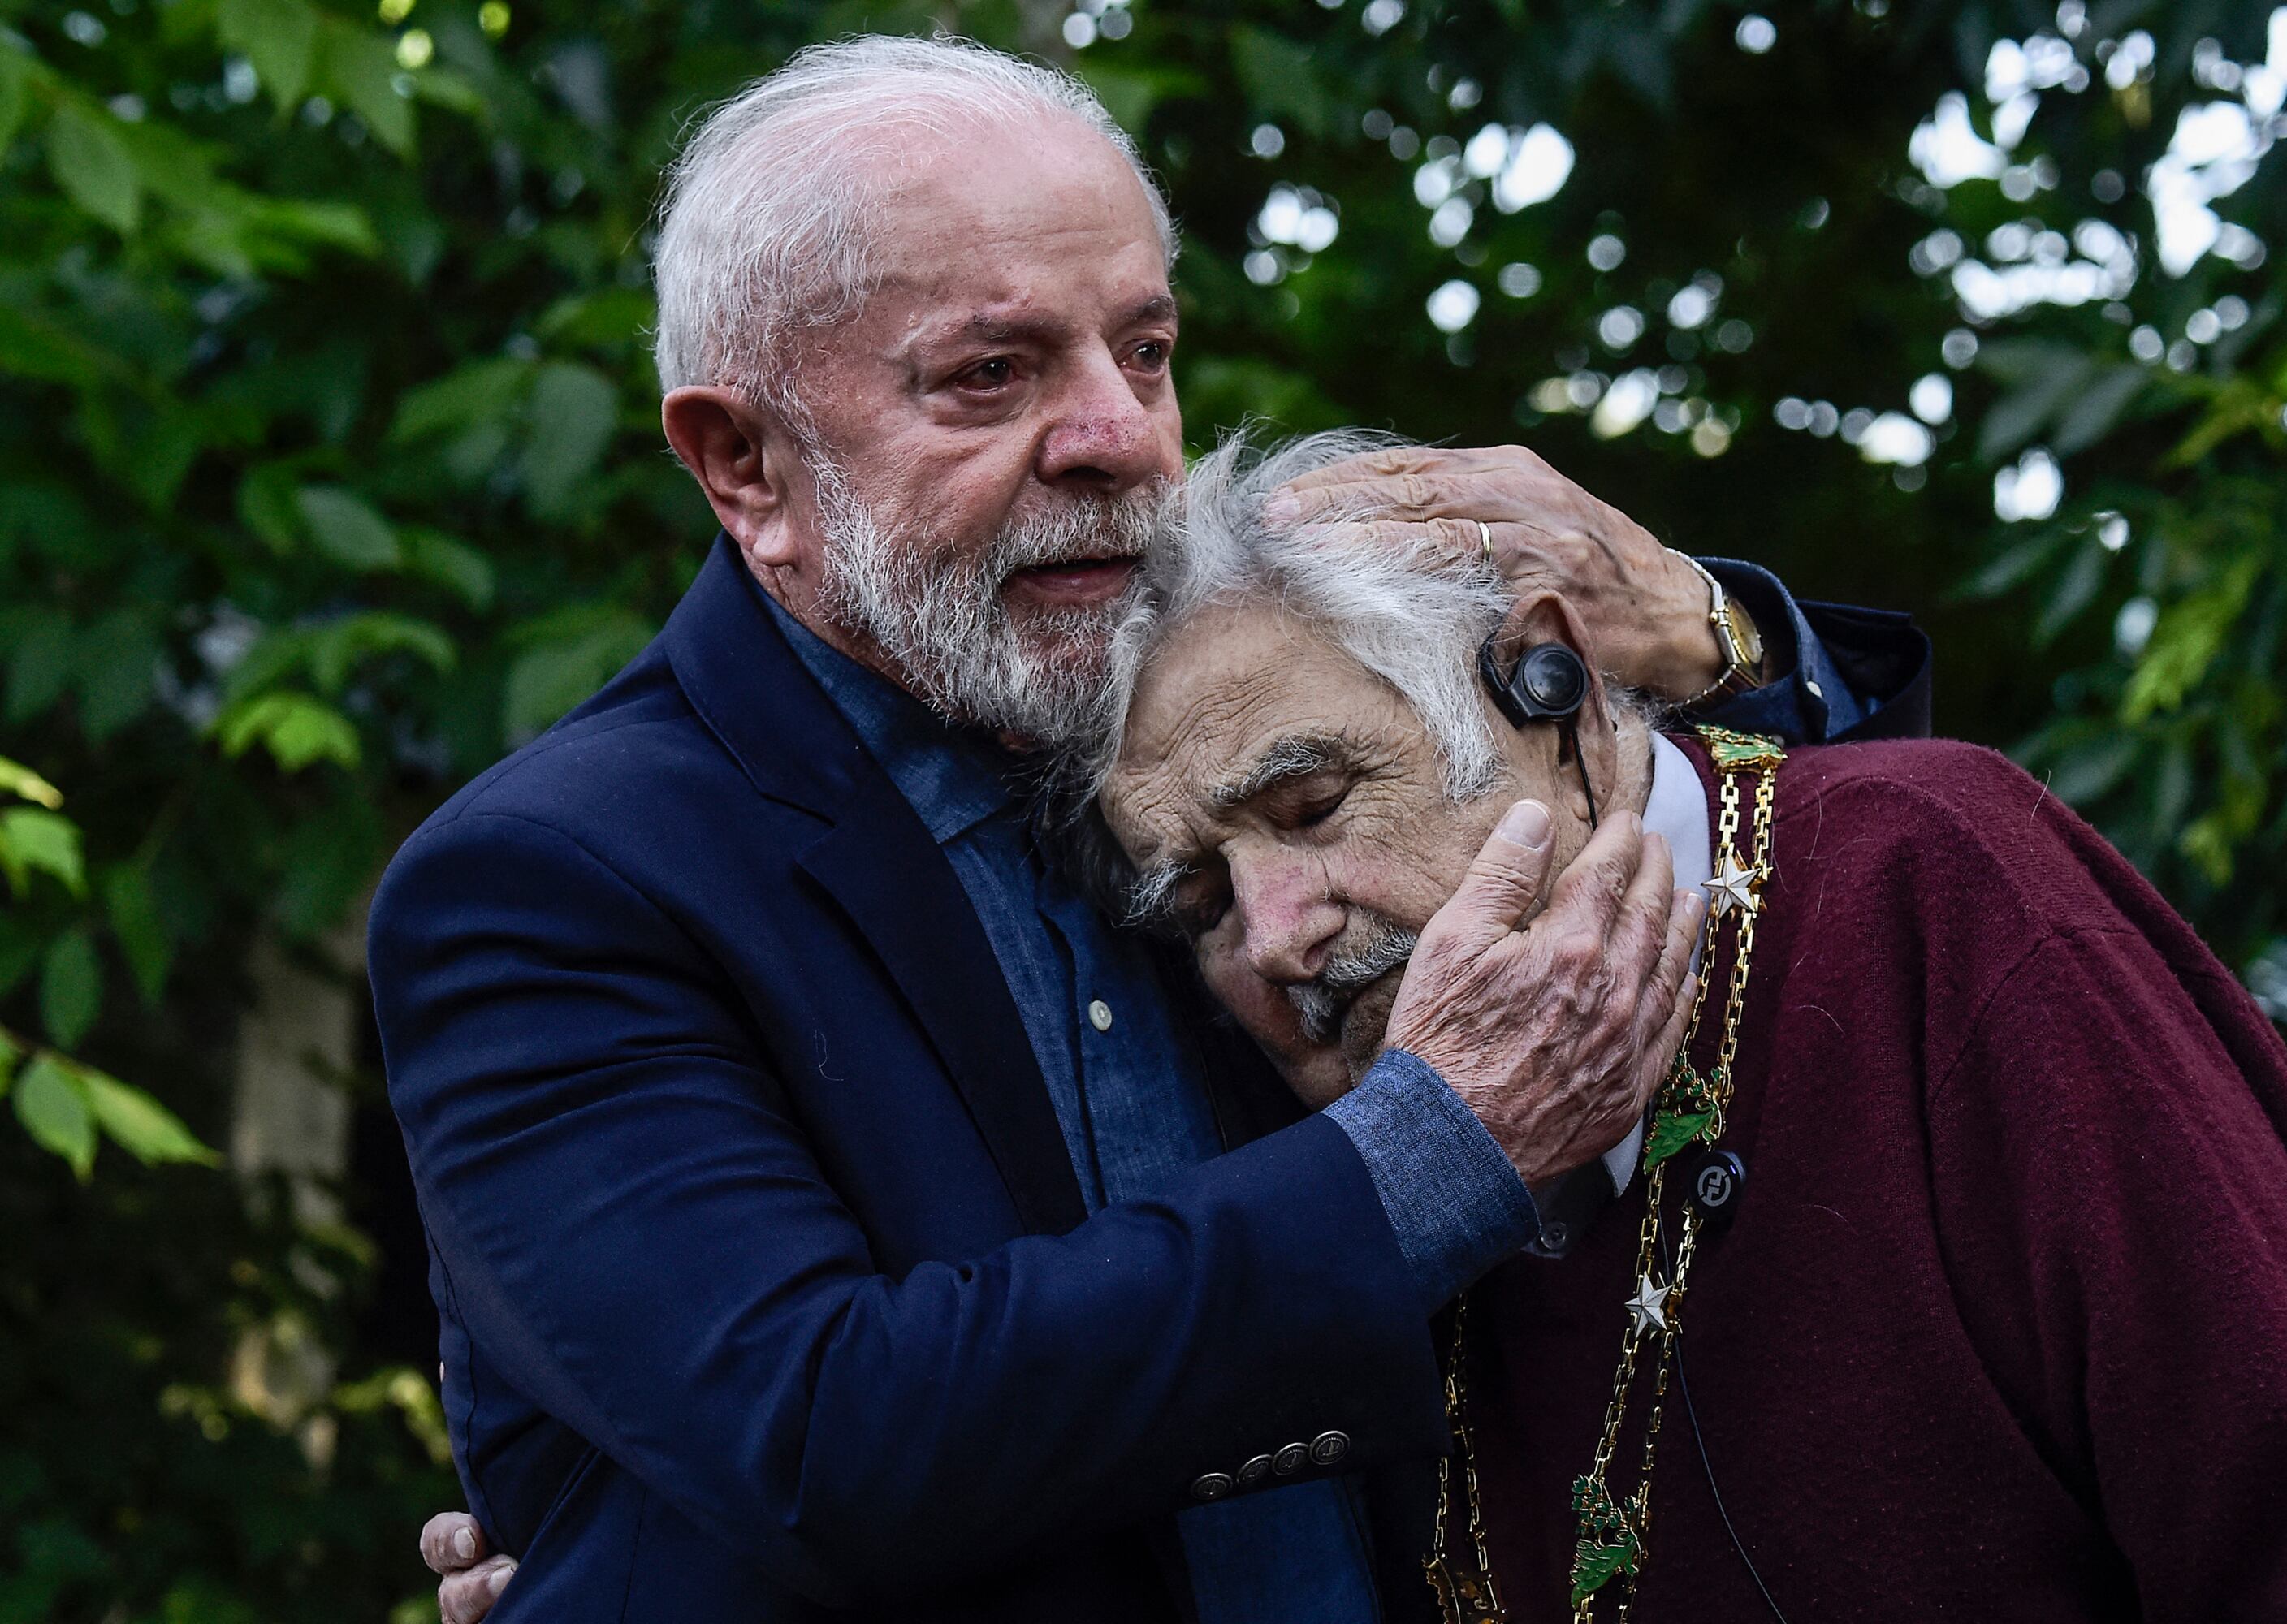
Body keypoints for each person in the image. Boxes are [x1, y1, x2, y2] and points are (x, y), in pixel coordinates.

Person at [381, 37, 1931, 1624]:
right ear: (743, 463)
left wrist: (1714, 632)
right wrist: (1430, 1149)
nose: (1119, 436)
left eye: (1147, 349)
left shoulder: (1232, 718)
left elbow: (1784, 916)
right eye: (993, 374)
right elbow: (827, 1437)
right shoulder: (549, 884)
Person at [1086, 432, 2287, 1622]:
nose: (1275, 934)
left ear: (1542, 685)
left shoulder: (1932, 877)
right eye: (1200, 899)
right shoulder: (1319, 1164)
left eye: (1315, 806)